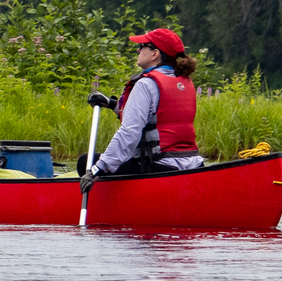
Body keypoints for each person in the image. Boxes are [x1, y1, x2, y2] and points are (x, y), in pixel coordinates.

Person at [80, 27, 203, 194]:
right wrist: (111, 104)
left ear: (155, 54)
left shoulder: (146, 84)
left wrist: (98, 169)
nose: (138, 49)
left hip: (158, 167)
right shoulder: (185, 82)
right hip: (193, 164)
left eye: (143, 46)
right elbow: (155, 118)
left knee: (85, 162)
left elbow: (129, 132)